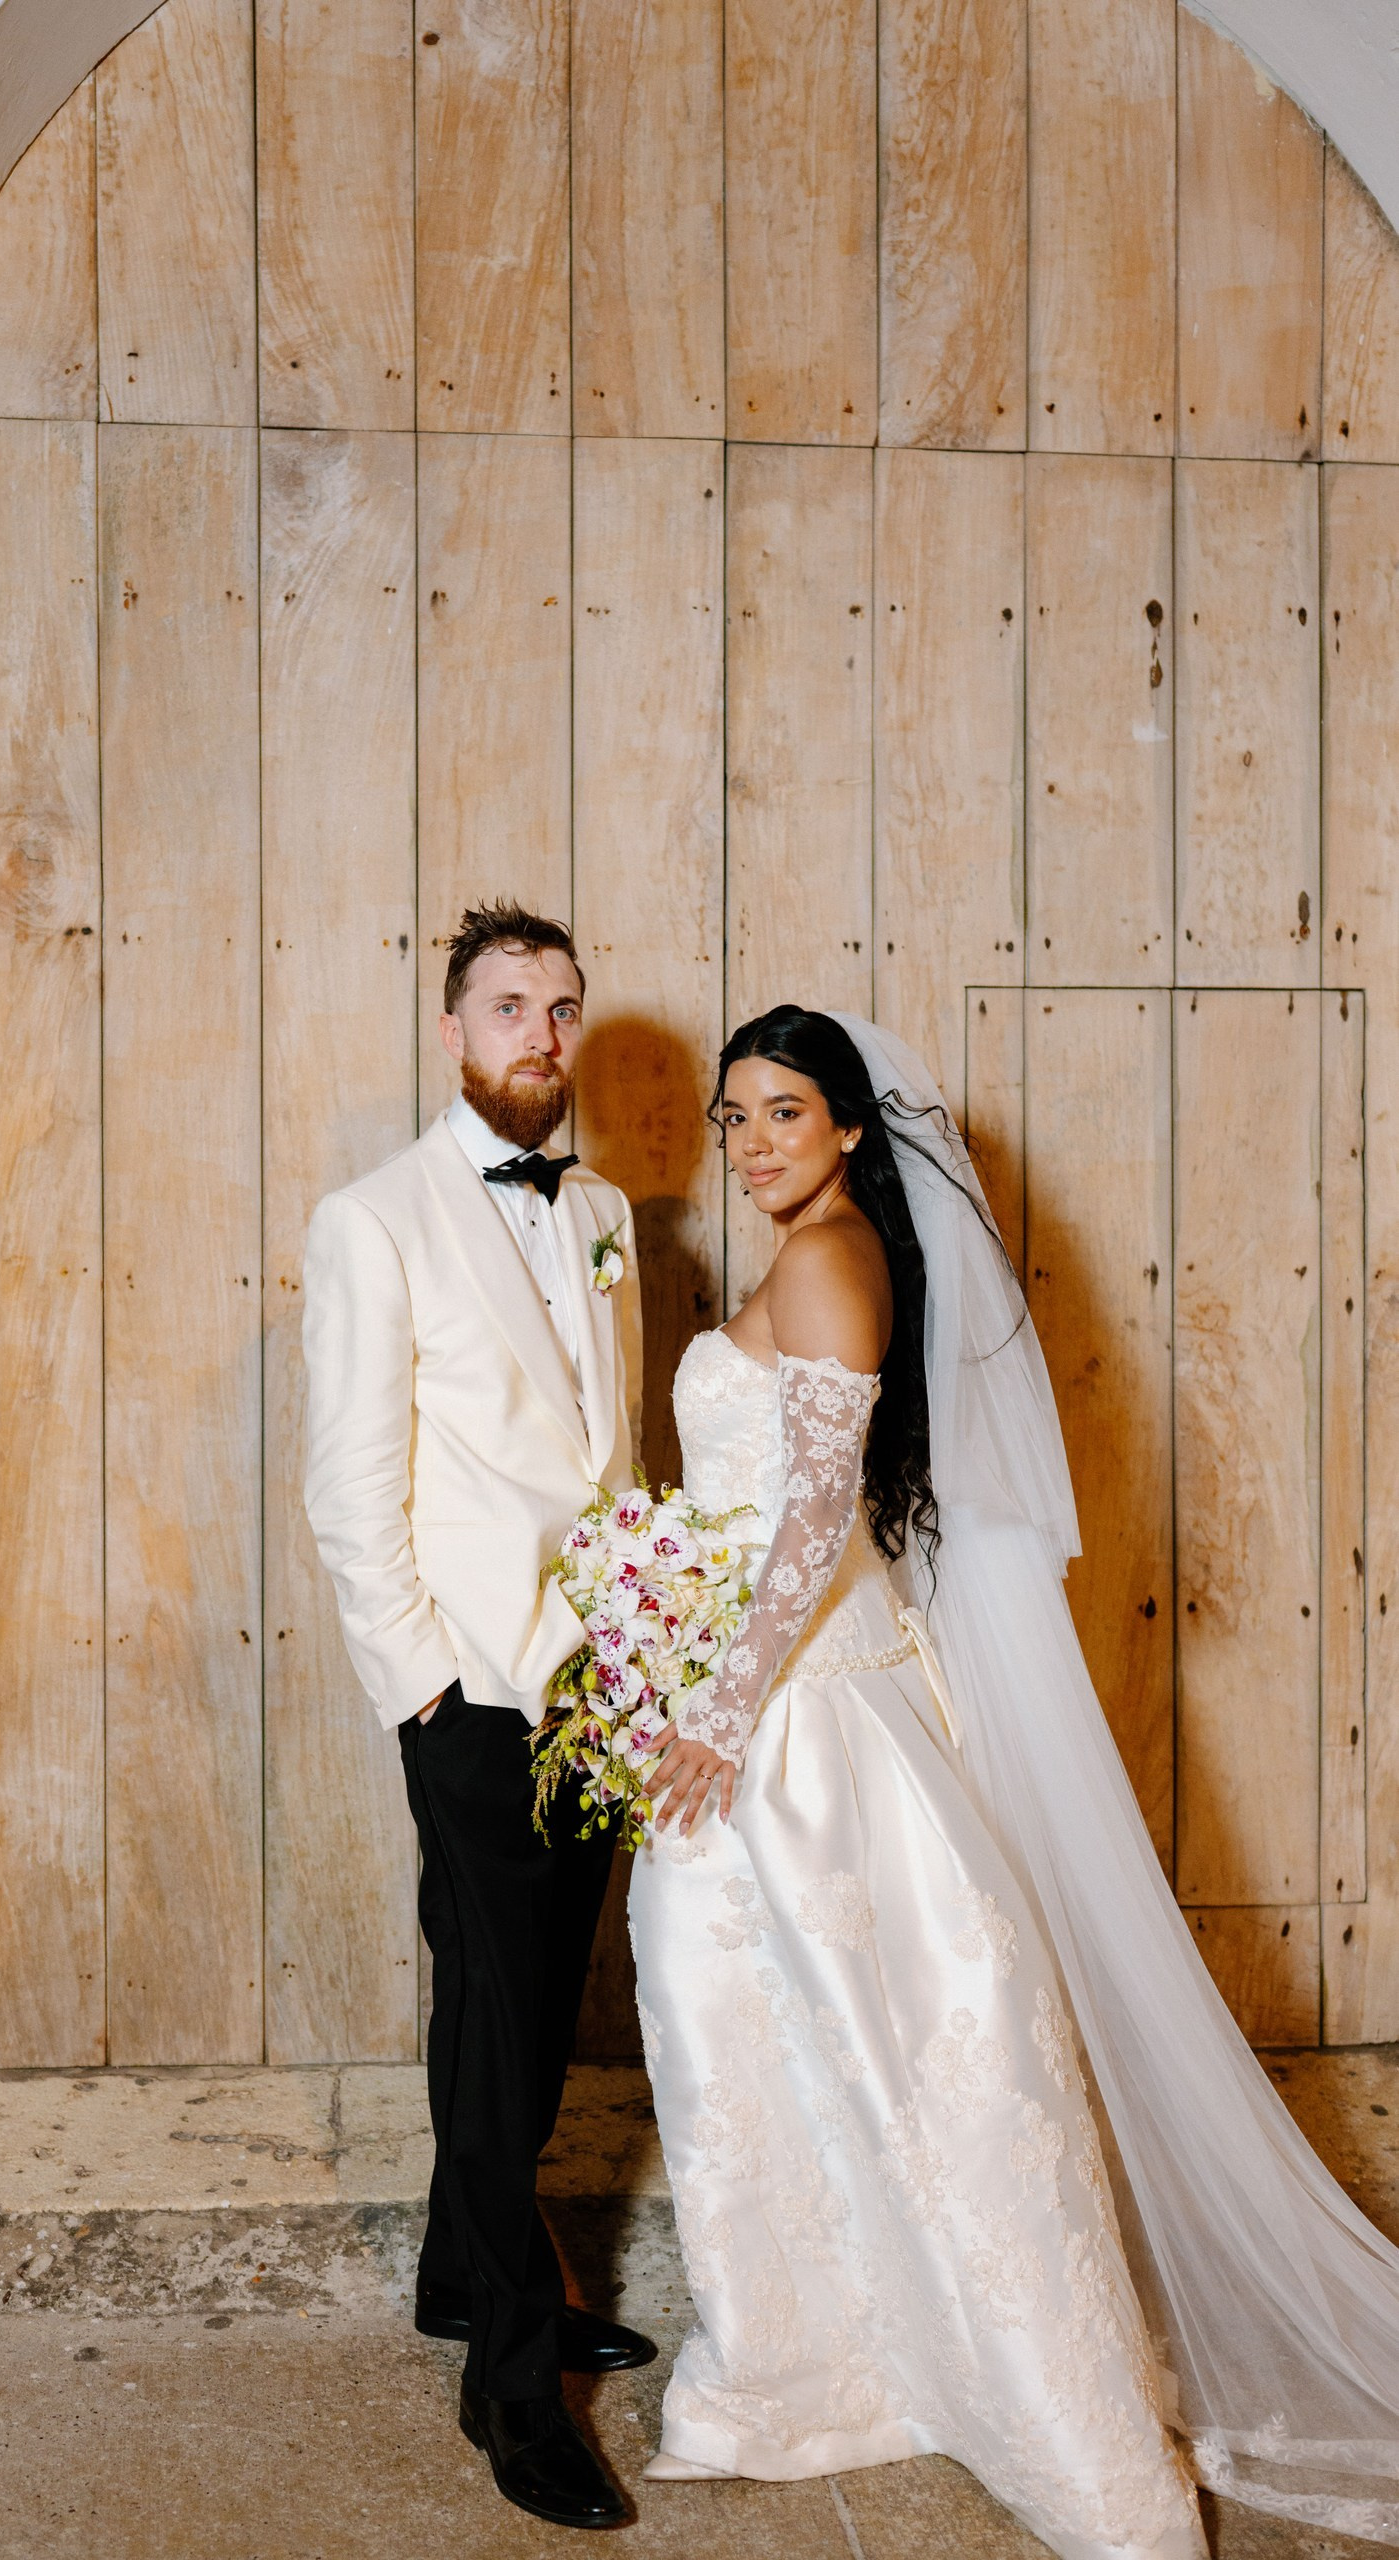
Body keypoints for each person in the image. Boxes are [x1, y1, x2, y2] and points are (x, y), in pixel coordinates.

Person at [630, 1005, 1399, 2556]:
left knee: (894, 2050)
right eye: (731, 1117)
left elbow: (809, 1524)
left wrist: (711, 1710)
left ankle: (1023, 2413)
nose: (750, 1142)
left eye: (782, 1112)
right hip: (782, 1695)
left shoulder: (833, 1261)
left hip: (802, 1725)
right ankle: (814, 2363)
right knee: (758, 2042)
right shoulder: (815, 1254)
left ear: (851, 1128)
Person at [302, 901, 650, 2532]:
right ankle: (511, 2382)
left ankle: (464, 2269)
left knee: (525, 2006)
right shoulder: (373, 1222)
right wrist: (429, 1697)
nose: (543, 1037)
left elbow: (615, 1455)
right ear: (454, 1033)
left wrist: (643, 1652)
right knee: (507, 2038)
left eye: (564, 1009)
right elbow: (351, 1492)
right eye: (510, 1007)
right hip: (477, 1696)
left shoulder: (611, 1216)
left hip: (599, 1682)